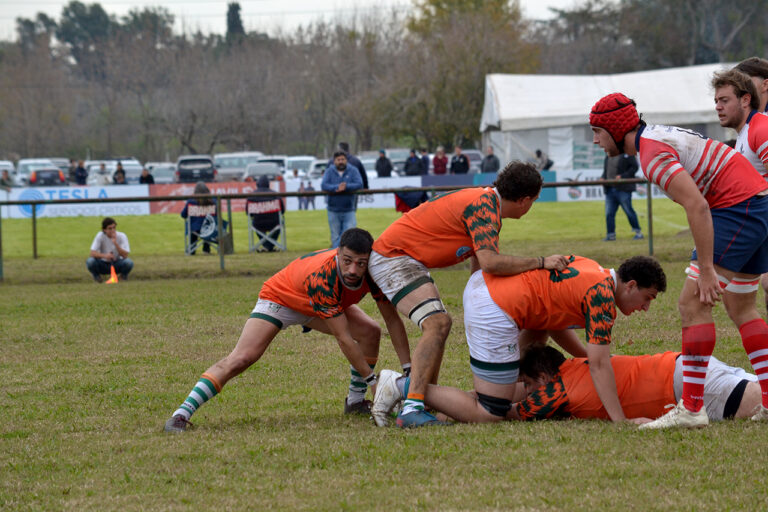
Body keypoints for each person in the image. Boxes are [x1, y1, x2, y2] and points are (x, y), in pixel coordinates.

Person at [589, 92, 768, 428]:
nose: (595, 139)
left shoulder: (651, 154)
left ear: (615, 130)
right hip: (756, 204)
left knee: (692, 305)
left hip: (738, 208)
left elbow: (697, 205)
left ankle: (692, 409)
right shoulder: (655, 138)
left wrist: (707, 270)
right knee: (742, 309)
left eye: (598, 131)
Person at [367, 160, 570, 428]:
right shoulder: (484, 206)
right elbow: (489, 262)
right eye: (533, 201)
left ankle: (421, 402)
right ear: (523, 200)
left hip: (402, 257)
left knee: (440, 323)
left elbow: (480, 274)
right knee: (438, 323)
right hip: (393, 257)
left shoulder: (487, 204)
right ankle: (409, 401)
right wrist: (542, 262)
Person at [163, 228, 411, 432]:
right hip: (282, 298)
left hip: (321, 304)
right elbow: (343, 338)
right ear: (337, 254)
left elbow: (393, 321)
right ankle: (181, 414)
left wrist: (409, 372)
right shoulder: (323, 277)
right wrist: (373, 381)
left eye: (360, 263)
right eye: (347, 261)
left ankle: (355, 403)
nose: (353, 270)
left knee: (370, 331)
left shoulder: (374, 272)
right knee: (242, 358)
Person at [372, 255, 666, 426]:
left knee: (511, 387)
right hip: (495, 307)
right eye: (647, 298)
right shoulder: (602, 296)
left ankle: (449, 403)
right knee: (490, 414)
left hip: (489, 291)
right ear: (630, 286)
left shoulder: (595, 270)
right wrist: (620, 422)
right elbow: (601, 365)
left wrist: (582, 362)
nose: (646, 307)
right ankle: (400, 386)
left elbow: (552, 322)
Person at [513, 345, 762, 423]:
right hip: (682, 368)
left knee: (757, 406)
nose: (525, 393)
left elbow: (502, 412)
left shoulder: (557, 390)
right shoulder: (578, 364)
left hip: (682, 385)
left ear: (543, 378)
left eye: (526, 384)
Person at [712, 70, 768, 312]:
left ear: (745, 100)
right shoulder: (744, 135)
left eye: (724, 101)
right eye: (716, 101)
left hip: (759, 223)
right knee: (737, 304)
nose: (718, 107)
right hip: (756, 226)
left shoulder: (761, 129)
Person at [321, 151, 363, 248]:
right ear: (334, 161)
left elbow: (359, 184)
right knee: (335, 236)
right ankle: (336, 256)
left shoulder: (353, 170)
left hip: (349, 209)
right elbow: (324, 185)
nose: (341, 162)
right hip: (333, 209)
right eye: (338, 160)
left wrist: (346, 186)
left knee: (349, 235)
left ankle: (345, 256)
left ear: (346, 160)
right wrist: (337, 187)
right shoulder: (329, 171)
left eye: (343, 159)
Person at [601, 153, 643, 241]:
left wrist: (622, 176)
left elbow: (634, 167)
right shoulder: (608, 153)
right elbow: (606, 170)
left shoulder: (627, 153)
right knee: (609, 213)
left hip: (623, 188)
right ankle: (611, 235)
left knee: (628, 211)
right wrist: (603, 177)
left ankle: (638, 233)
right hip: (609, 189)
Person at [86, 217, 133, 282]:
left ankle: (123, 277)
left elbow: (125, 255)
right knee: (90, 261)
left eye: (114, 228)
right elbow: (92, 253)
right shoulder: (100, 236)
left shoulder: (122, 236)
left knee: (128, 262)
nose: (112, 230)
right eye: (110, 228)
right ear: (104, 229)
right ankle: (97, 277)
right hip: (102, 263)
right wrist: (105, 256)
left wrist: (115, 243)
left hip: (116, 263)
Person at [246, 175, 285, 252]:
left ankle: (266, 246)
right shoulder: (275, 195)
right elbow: (282, 211)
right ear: (268, 184)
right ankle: (269, 246)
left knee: (253, 223)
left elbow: (248, 213)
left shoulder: (251, 196)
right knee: (281, 221)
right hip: (274, 223)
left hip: (258, 223)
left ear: (258, 184)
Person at [181, 181, 217, 255]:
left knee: (194, 227)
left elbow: (183, 215)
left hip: (195, 228)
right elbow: (217, 214)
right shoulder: (214, 201)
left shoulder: (190, 201)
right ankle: (206, 250)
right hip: (210, 229)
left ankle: (191, 250)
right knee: (208, 225)